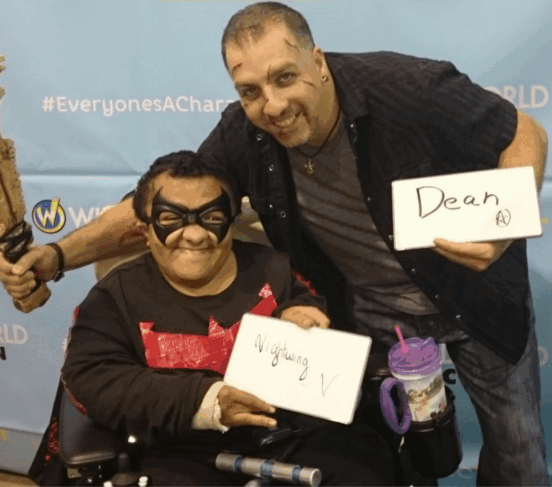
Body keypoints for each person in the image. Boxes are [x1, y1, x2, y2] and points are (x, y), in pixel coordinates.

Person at [0, 2, 550, 486]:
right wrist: (55, 257)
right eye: (249, 91)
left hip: (472, 294)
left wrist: (505, 223)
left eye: (285, 77)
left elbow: (526, 132)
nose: (273, 105)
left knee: (516, 448)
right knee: (399, 450)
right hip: (368, 314)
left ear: (319, 62)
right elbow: (160, 203)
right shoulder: (247, 132)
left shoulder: (411, 89)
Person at [61, 150, 393, 486]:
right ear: (144, 229)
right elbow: (90, 380)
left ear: (230, 221)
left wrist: (305, 313)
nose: (194, 235)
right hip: (187, 449)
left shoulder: (273, 269)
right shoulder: (115, 297)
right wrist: (205, 401)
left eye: (211, 217)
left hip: (301, 438)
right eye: (171, 219)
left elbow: (307, 303)